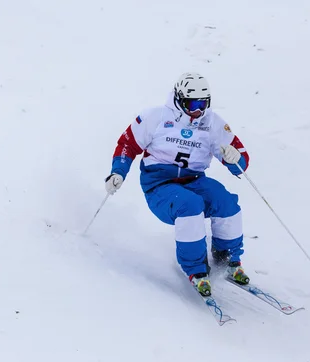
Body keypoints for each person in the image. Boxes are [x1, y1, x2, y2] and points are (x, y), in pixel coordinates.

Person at [105, 72, 250, 296]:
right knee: (190, 204)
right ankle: (196, 269)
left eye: (203, 103)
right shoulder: (156, 118)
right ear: (180, 100)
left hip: (194, 180)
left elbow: (241, 159)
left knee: (225, 201)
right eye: (192, 104)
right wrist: (118, 172)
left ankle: (227, 258)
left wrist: (235, 159)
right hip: (159, 185)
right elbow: (127, 144)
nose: (197, 110)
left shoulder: (212, 124)